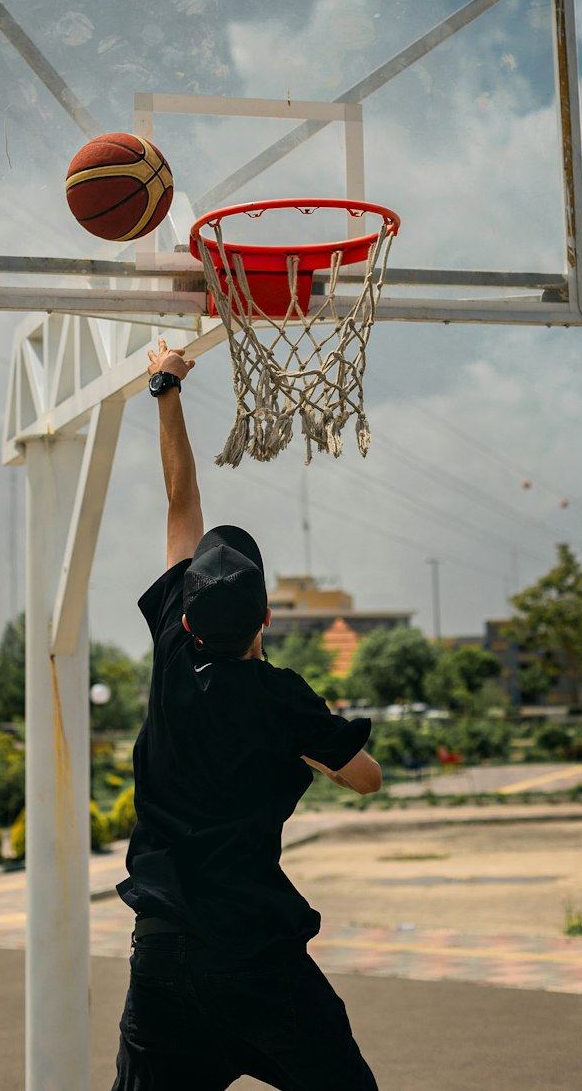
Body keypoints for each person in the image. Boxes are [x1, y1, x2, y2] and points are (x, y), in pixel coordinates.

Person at [112, 338, 382, 1091]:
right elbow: (366, 778)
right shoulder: (281, 698)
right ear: (266, 617)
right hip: (256, 961)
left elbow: (179, 501)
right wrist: (308, 749)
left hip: (163, 955)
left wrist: (165, 386)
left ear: (189, 614)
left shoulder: (171, 645)